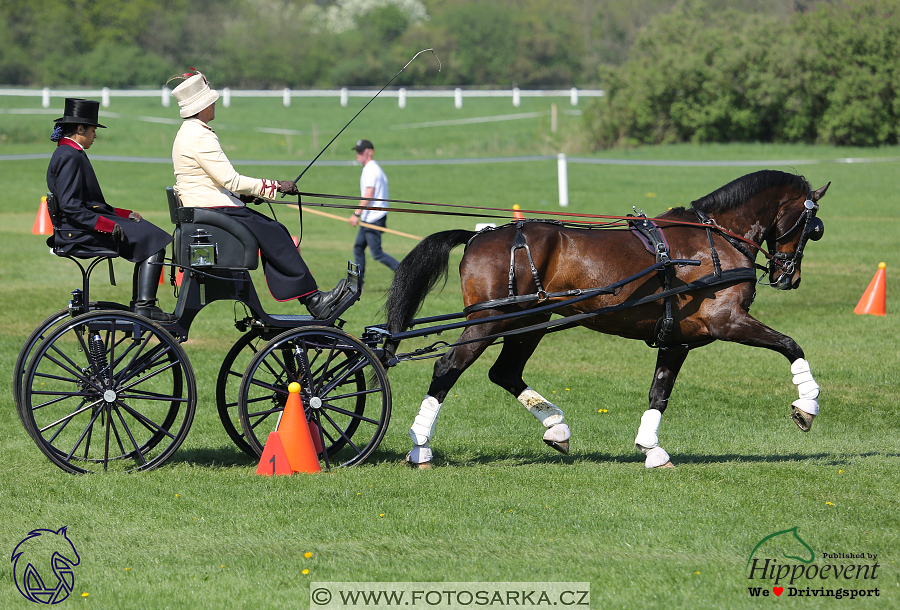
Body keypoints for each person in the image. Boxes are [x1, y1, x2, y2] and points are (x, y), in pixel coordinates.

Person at [169, 70, 347, 319]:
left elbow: (210, 181)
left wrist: (244, 197)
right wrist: (275, 187)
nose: (215, 104)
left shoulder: (188, 132)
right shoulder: (199, 136)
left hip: (207, 205)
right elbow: (230, 179)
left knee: (276, 231)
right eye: (211, 101)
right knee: (274, 232)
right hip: (211, 209)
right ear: (202, 105)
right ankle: (314, 300)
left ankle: (310, 297)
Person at [46, 98, 175, 321]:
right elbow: (70, 206)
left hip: (80, 225)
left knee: (150, 234)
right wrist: (107, 225)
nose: (95, 135)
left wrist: (124, 214)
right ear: (80, 129)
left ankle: (142, 304)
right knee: (155, 242)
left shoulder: (70, 153)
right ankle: (144, 306)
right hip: (77, 232)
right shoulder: (68, 156)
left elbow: (90, 203)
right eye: (93, 129)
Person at [348, 139, 399, 291]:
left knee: (376, 253)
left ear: (370, 152)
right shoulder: (372, 168)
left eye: (361, 151)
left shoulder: (371, 170)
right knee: (358, 248)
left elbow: (369, 194)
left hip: (373, 218)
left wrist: (356, 214)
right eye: (357, 151)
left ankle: (404, 273)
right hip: (370, 217)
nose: (358, 154)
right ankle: (358, 285)